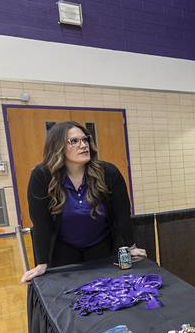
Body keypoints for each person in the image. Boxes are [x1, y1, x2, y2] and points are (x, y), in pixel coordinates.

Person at [20, 121, 145, 283]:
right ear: (57, 147)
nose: (83, 145)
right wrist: (42, 263)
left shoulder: (108, 172)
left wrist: (131, 246)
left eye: (85, 140)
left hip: (102, 245)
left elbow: (122, 213)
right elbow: (41, 221)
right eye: (74, 141)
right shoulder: (42, 175)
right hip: (63, 248)